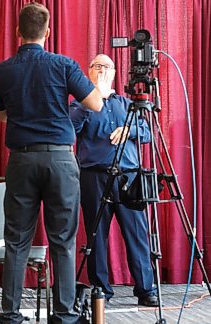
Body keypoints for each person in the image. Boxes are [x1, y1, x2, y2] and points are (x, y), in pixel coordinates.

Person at [0, 4, 111, 324]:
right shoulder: (63, 65)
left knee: (16, 241)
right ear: (47, 33)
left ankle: (10, 321)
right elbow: (96, 104)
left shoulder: (3, 70)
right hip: (60, 160)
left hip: (22, 160)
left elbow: (2, 116)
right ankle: (63, 320)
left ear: (18, 32)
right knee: (63, 242)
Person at [70, 54, 158, 307]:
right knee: (96, 235)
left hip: (129, 177)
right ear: (89, 71)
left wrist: (129, 131)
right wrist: (94, 95)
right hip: (94, 176)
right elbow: (70, 130)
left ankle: (145, 289)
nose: (102, 71)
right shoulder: (79, 105)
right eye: (97, 66)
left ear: (115, 72)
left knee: (137, 234)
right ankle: (101, 290)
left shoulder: (127, 103)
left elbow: (147, 132)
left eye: (107, 67)